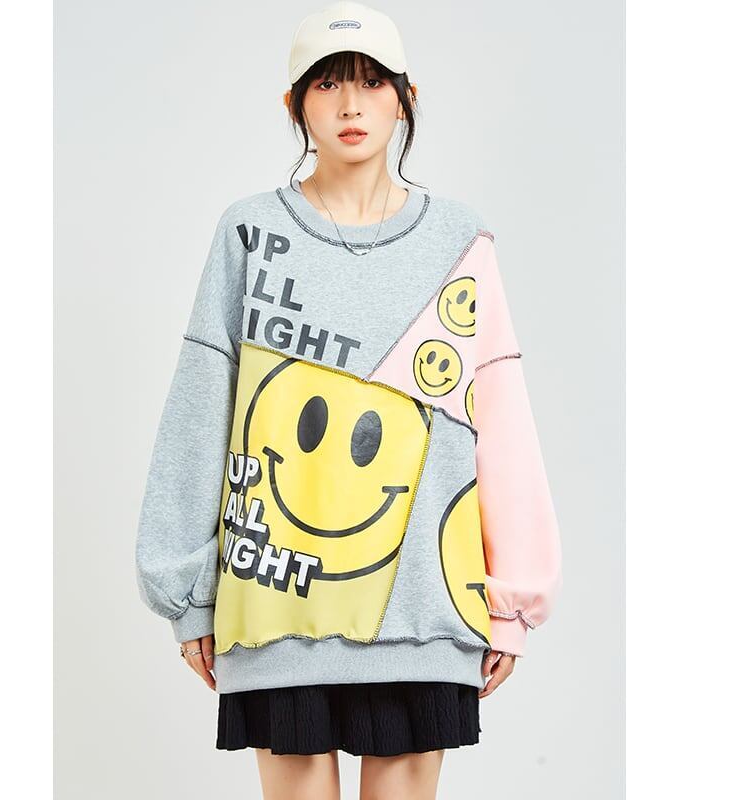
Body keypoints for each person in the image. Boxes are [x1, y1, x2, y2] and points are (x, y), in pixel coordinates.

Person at [135, 1, 562, 797]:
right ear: (294, 103)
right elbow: (201, 410)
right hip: (275, 606)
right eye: (327, 84)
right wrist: (187, 593)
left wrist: (515, 594)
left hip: (424, 611)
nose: (351, 104)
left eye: (372, 82)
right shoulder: (249, 233)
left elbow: (499, 416)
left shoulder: (458, 240)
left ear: (405, 98)